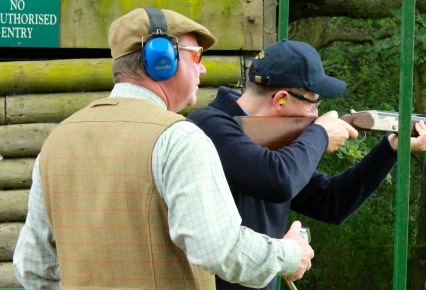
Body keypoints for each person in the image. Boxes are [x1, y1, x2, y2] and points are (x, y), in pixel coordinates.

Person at [13, 8, 313, 290]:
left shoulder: (57, 141)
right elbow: (219, 249)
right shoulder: (178, 138)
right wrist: (289, 254)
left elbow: (32, 266)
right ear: (162, 59)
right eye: (195, 56)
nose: (203, 68)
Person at [187, 39, 426, 290]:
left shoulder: (275, 148)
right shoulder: (209, 126)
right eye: (314, 103)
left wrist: (390, 149)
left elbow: (332, 202)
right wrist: (319, 134)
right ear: (280, 99)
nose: (315, 114)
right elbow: (278, 180)